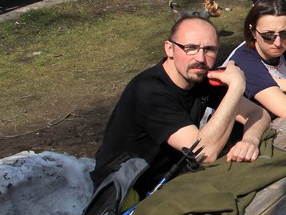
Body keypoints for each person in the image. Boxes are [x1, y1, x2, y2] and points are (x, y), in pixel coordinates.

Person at [91, 16, 272, 197]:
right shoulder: (149, 91)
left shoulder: (200, 77)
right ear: (170, 49)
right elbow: (204, 153)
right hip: (128, 193)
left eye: (209, 49)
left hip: (177, 178)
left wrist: (250, 140)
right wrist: (235, 88)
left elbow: (259, 113)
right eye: (190, 48)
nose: (200, 58)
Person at [227, 0, 286, 118]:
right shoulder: (243, 61)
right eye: (268, 35)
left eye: (285, 33)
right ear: (253, 31)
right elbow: (285, 109)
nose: (278, 43)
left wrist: (283, 84)